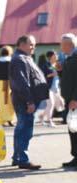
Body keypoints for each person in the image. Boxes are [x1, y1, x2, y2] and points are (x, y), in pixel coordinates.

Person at [9, 35, 48, 170]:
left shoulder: (23, 58)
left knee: (21, 129)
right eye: (31, 44)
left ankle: (17, 157)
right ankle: (23, 159)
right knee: (25, 130)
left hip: (24, 100)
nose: (33, 47)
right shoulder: (20, 60)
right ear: (21, 44)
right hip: (25, 101)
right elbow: (22, 83)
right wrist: (29, 101)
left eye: (34, 44)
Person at [60, 33, 77, 168]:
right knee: (73, 129)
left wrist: (75, 99)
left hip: (74, 100)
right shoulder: (70, 57)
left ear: (68, 44)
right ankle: (75, 157)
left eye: (62, 44)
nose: (61, 47)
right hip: (70, 100)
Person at [38, 51, 65, 127]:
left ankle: (42, 116)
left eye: (56, 54)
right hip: (48, 88)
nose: (57, 55)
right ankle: (50, 121)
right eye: (55, 54)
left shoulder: (57, 65)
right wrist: (52, 74)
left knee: (58, 104)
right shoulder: (46, 65)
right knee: (51, 104)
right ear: (51, 57)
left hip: (56, 88)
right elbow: (42, 76)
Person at [0, 46, 15, 126]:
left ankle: (2, 119)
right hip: (11, 83)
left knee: (1, 102)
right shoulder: (12, 60)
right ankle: (11, 119)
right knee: (10, 102)